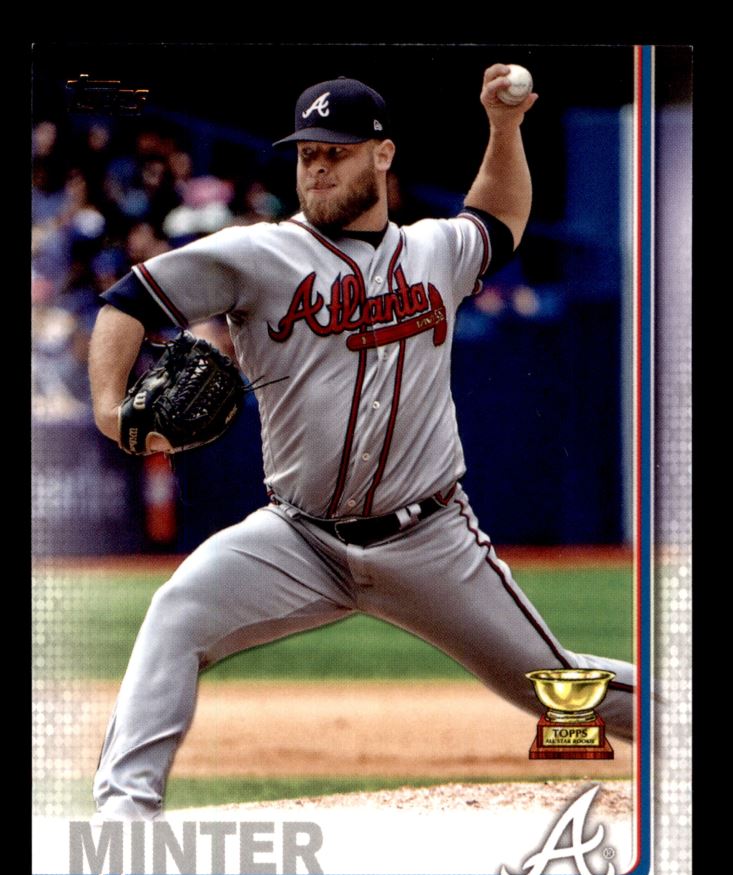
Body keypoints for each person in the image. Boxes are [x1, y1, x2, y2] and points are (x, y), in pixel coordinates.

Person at [89, 67, 636, 821]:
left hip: (428, 540)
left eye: (336, 151)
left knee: (552, 684)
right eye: (307, 152)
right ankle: (124, 818)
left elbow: (499, 219)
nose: (317, 166)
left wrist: (504, 128)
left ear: (382, 155)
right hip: (297, 537)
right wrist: (107, 409)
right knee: (178, 610)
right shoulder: (257, 254)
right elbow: (126, 302)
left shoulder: (435, 249)